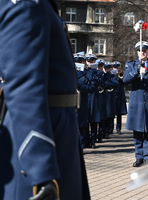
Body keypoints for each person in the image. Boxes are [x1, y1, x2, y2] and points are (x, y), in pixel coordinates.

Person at [0, 0, 90, 199]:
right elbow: (24, 85)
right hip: (43, 135)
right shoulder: (26, 4)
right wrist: (39, 167)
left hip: (59, 129)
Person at [75, 52, 97, 149]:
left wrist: (82, 87)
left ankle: (82, 145)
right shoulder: (68, 72)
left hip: (82, 102)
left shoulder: (88, 73)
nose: (78, 63)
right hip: (69, 102)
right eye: (76, 61)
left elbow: (92, 88)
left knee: (81, 126)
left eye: (80, 61)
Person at [103, 62, 119, 138]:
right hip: (103, 96)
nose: (107, 69)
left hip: (110, 96)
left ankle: (109, 130)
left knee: (110, 114)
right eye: (106, 68)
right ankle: (104, 131)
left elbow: (116, 83)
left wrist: (108, 83)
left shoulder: (113, 76)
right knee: (104, 115)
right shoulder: (103, 75)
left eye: (109, 68)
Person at [113, 61, 127, 135]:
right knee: (111, 113)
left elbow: (124, 81)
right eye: (115, 67)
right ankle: (110, 128)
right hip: (112, 95)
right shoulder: (110, 74)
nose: (116, 69)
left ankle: (118, 128)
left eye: (117, 68)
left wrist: (118, 75)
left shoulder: (120, 74)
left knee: (119, 114)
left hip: (119, 96)